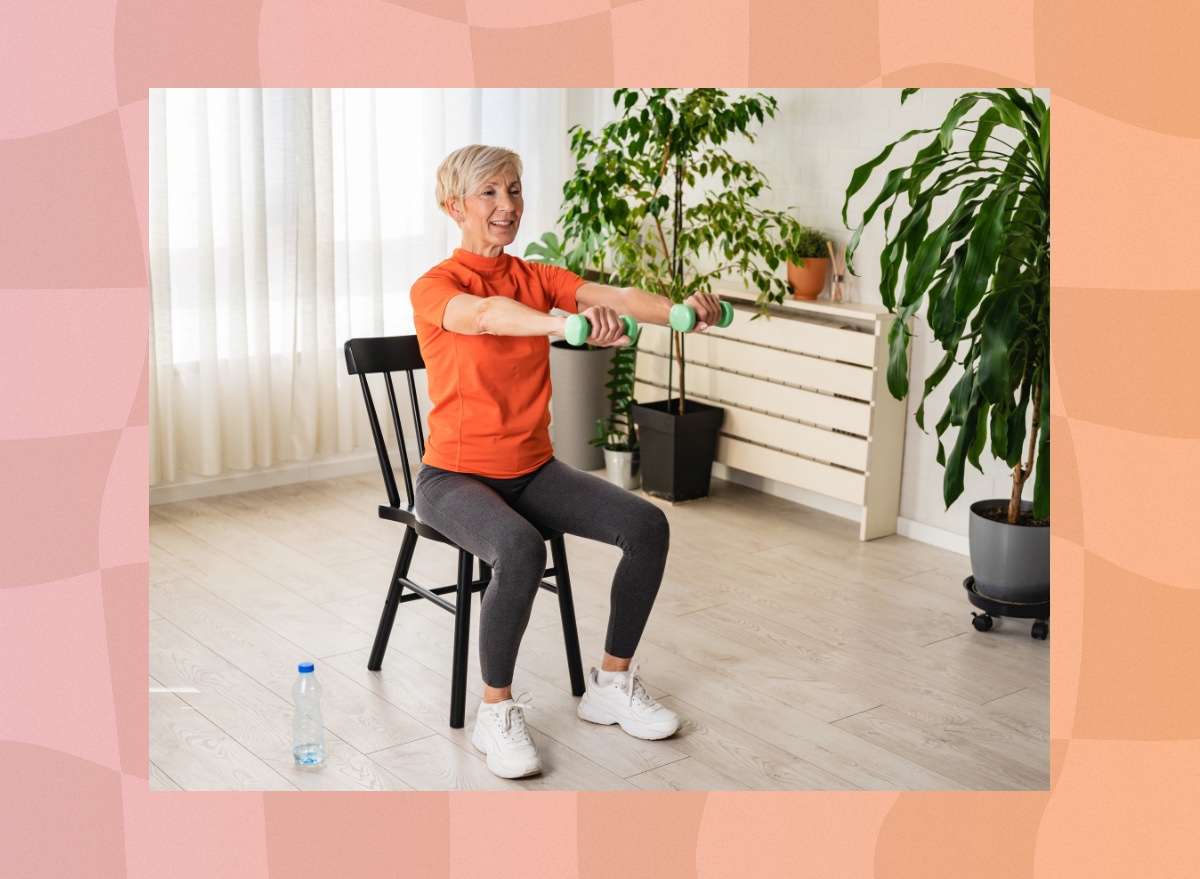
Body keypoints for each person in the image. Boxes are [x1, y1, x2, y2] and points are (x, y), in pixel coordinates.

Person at [410, 144, 724, 779]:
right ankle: (494, 713)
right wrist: (561, 328)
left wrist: (683, 313)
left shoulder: (538, 275)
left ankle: (610, 684)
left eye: (516, 190)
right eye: (491, 193)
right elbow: (490, 317)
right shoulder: (437, 287)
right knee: (520, 548)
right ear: (455, 207)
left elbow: (617, 296)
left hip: (531, 469)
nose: (508, 206)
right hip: (453, 476)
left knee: (646, 527)